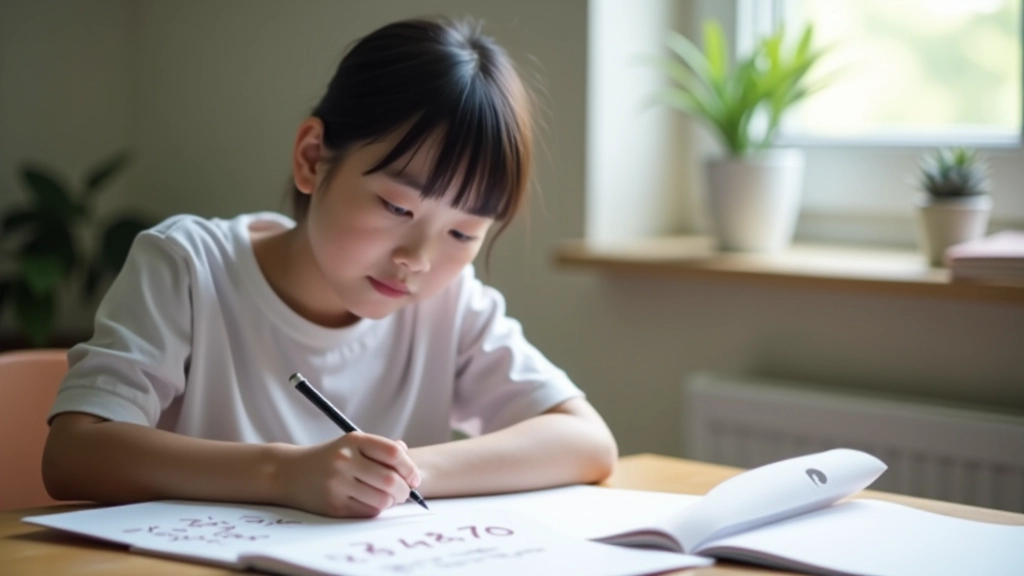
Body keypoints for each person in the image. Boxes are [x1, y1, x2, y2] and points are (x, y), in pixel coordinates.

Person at [42, 17, 617, 518]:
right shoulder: (190, 267)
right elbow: (73, 454)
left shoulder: (450, 302)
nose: (418, 259)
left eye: (463, 233)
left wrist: (401, 474)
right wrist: (283, 474)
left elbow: (587, 441)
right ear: (313, 159)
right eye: (397, 207)